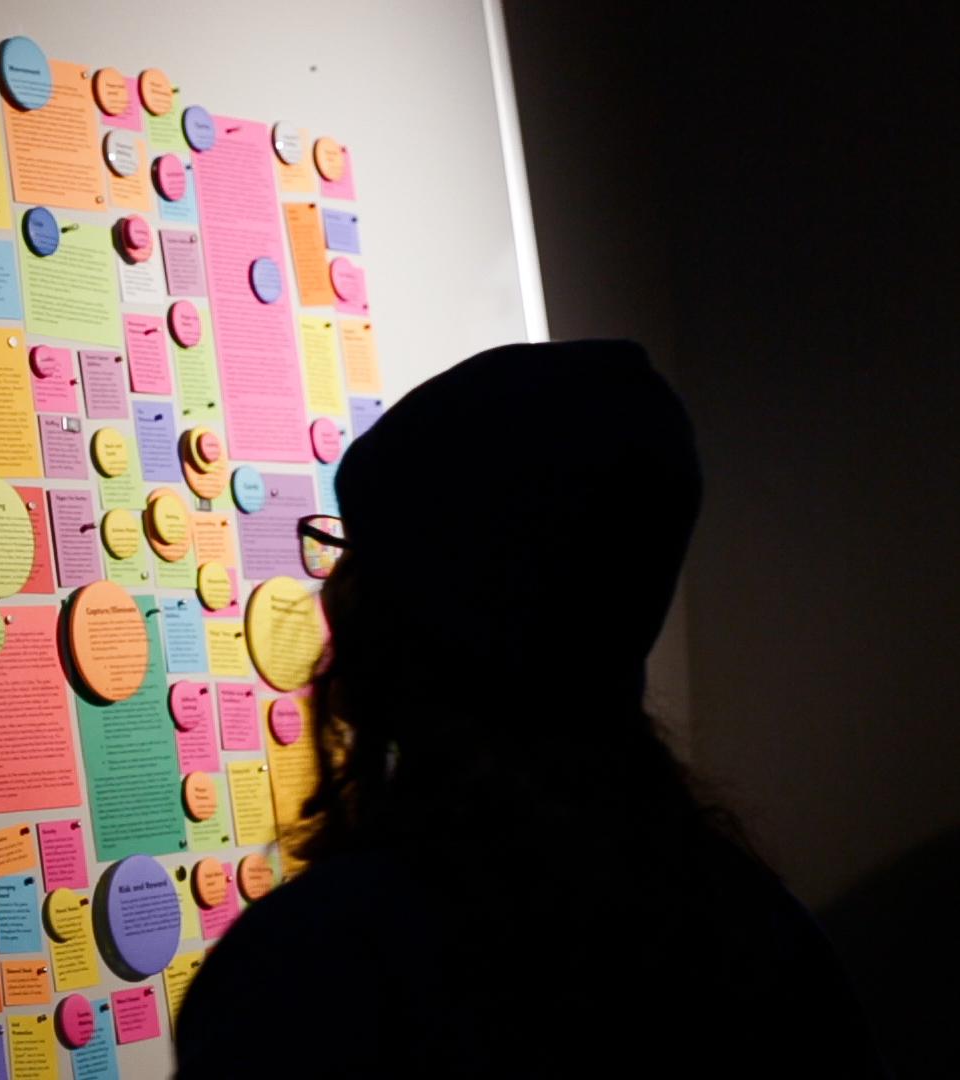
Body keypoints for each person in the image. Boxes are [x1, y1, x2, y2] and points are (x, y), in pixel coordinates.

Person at [174, 341, 887, 1077]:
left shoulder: (321, 961)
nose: (332, 589)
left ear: (429, 606)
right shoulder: (756, 929)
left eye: (361, 550)